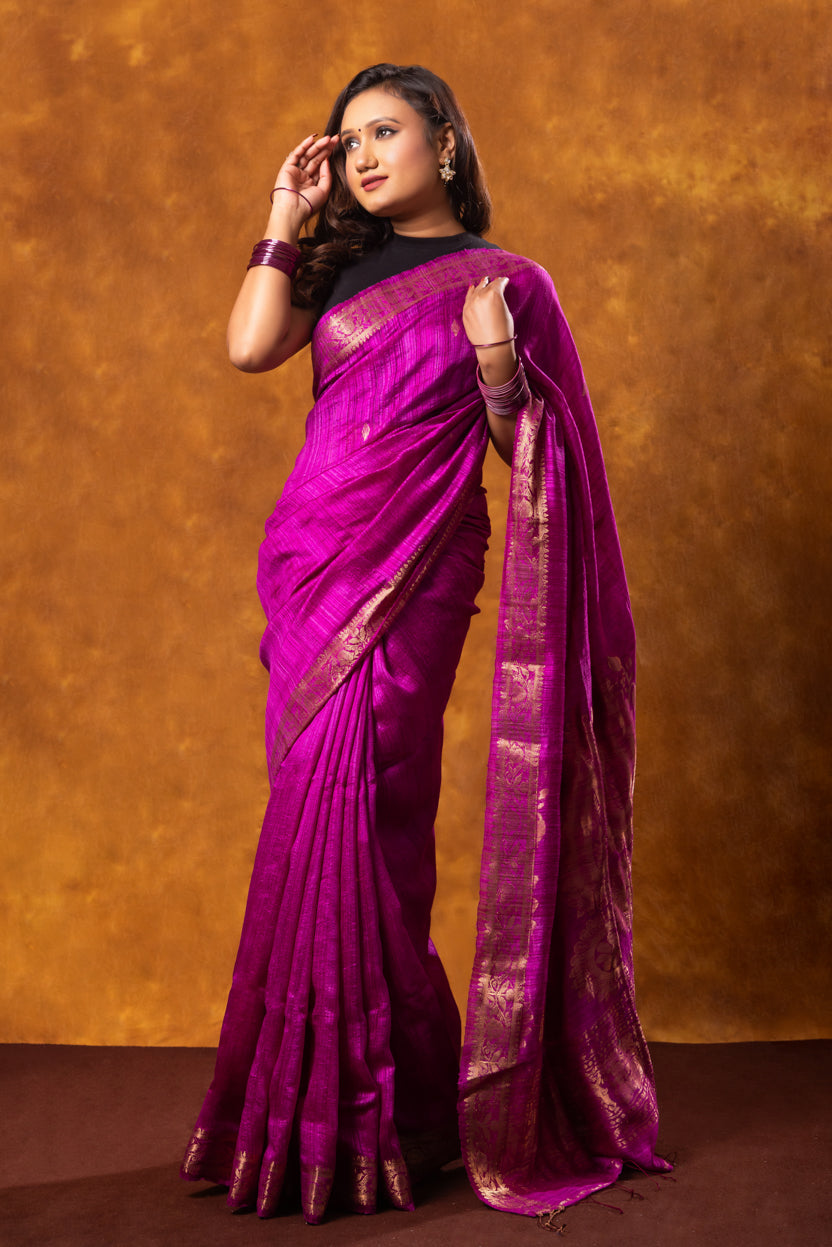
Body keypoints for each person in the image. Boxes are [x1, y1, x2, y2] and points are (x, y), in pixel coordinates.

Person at [181, 63, 669, 1225]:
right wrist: (284, 220)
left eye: (385, 132)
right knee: (306, 819)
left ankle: (380, 1118)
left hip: (418, 573)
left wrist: (496, 355)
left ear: (445, 144)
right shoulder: (342, 264)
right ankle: (303, 1118)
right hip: (310, 563)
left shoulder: (511, 281)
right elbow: (251, 348)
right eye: (347, 140)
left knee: (375, 823)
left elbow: (532, 450)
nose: (361, 155)